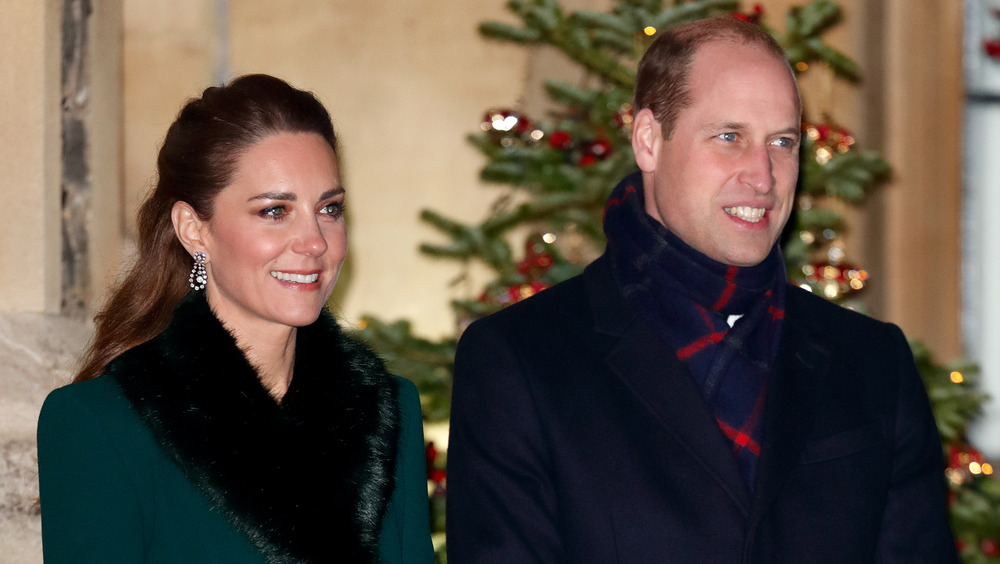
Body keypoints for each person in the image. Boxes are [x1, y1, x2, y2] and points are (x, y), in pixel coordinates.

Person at [446, 17, 957, 563]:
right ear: (648, 140)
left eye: (781, 142)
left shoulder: (874, 362)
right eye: (729, 136)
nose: (763, 176)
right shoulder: (520, 360)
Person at [37, 74, 434, 564]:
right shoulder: (100, 423)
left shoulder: (389, 407)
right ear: (193, 229)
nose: (314, 242)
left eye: (329, 208)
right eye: (274, 211)